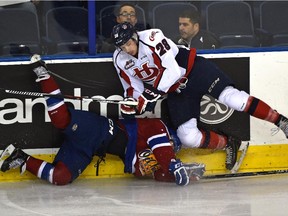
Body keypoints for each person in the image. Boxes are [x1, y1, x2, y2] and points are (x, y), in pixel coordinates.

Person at [0, 54, 205, 186]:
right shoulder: (156, 127)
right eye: (171, 144)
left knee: (61, 177)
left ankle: (21, 158)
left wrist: (185, 173)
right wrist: (173, 165)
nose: (170, 147)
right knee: (61, 120)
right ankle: (43, 74)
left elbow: (151, 172)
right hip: (99, 129)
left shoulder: (157, 157)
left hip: (90, 149)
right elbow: (162, 151)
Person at [112, 22, 288, 171]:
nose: (126, 49)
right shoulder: (119, 59)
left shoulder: (152, 37)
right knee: (188, 137)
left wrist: (149, 95)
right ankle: (230, 142)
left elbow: (172, 72)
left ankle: (281, 121)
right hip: (176, 91)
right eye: (122, 46)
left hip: (195, 71)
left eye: (128, 43)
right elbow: (132, 88)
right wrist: (134, 102)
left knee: (234, 99)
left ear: (135, 37)